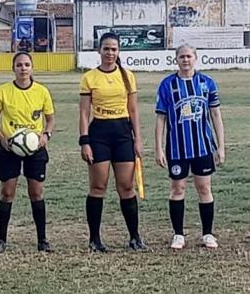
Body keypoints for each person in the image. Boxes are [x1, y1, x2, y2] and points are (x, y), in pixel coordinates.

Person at [79, 32, 146, 252]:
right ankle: (95, 239)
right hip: (99, 134)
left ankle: (135, 237)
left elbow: (133, 110)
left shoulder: (127, 76)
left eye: (114, 49)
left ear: (119, 52)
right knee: (98, 186)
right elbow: (84, 113)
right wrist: (85, 141)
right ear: (99, 51)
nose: (110, 53)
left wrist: (138, 139)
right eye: (106, 49)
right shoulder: (89, 77)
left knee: (126, 186)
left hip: (123, 134)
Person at [154, 45, 225, 250]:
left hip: (203, 147)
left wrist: (221, 146)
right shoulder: (167, 85)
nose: (185, 60)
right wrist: (158, 148)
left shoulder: (207, 83)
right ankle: (178, 234)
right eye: (182, 56)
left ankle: (208, 234)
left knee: (204, 188)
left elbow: (216, 115)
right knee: (178, 189)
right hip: (177, 149)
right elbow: (161, 119)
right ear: (175, 59)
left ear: (195, 58)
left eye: (189, 56)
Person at [0, 52, 55, 253]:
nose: (23, 68)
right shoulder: (3, 91)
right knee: (7, 192)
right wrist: (3, 140)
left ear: (32, 67)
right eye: (19, 65)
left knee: (36, 193)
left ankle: (42, 240)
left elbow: (50, 119)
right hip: (10, 148)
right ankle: (1, 240)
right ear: (13, 68)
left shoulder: (42, 91)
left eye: (27, 64)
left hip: (35, 150)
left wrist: (46, 135)